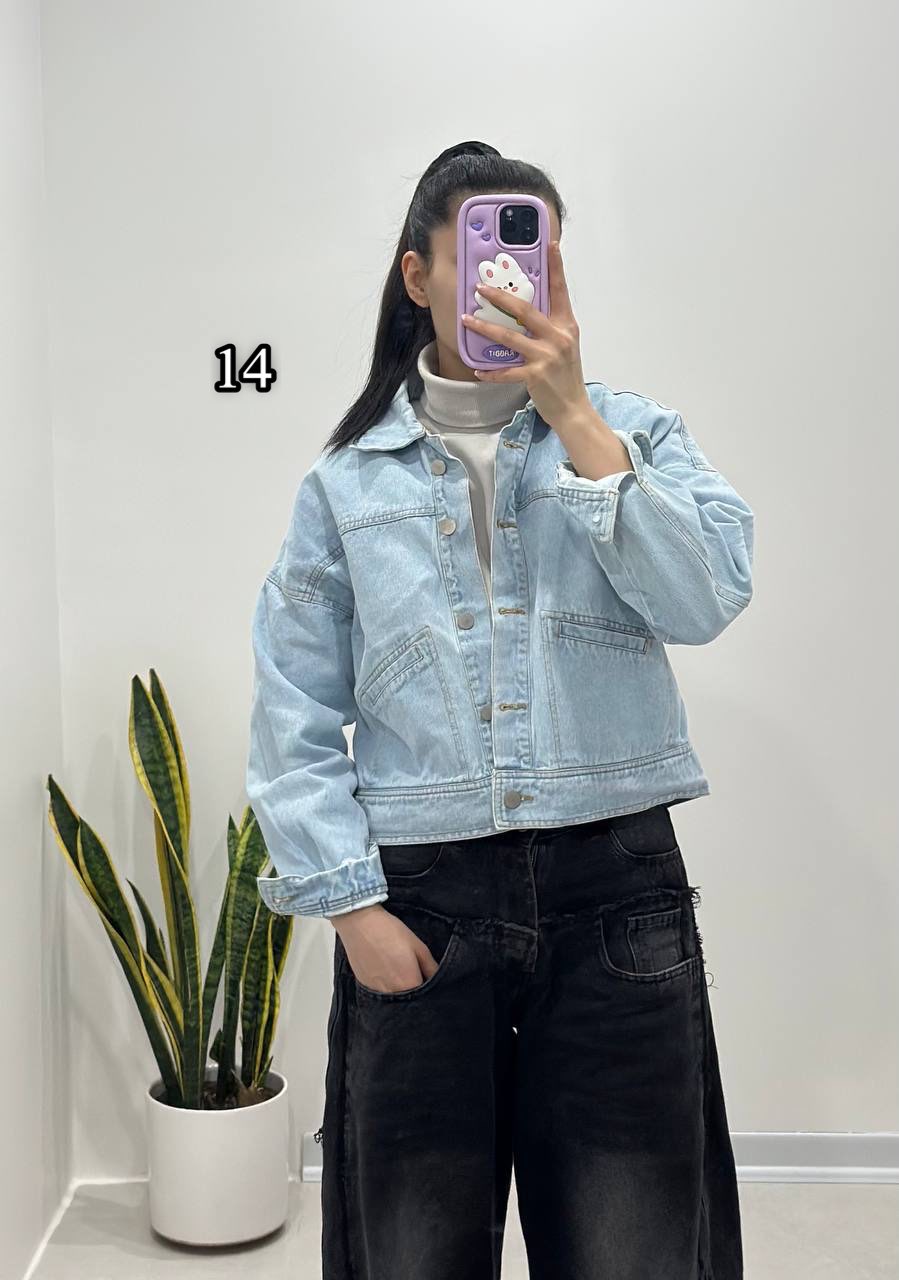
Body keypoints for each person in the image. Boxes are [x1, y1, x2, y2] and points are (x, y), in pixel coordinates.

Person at [246, 140, 752, 1279]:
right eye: (483, 254)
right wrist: (351, 910)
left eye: (535, 257)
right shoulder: (344, 482)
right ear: (418, 276)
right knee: (413, 1255)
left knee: (635, 1252)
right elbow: (292, 704)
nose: (510, 280)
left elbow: (706, 597)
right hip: (420, 905)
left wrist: (577, 424)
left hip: (616, 891)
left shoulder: (632, 433)